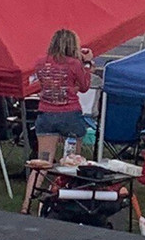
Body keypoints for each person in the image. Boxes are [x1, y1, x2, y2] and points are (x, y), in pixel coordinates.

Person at [21, 28, 93, 213]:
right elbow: (84, 87)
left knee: (42, 163)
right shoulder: (75, 64)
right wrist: (88, 64)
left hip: (46, 114)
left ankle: (27, 203)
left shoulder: (40, 62)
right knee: (73, 163)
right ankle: (69, 203)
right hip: (70, 115)